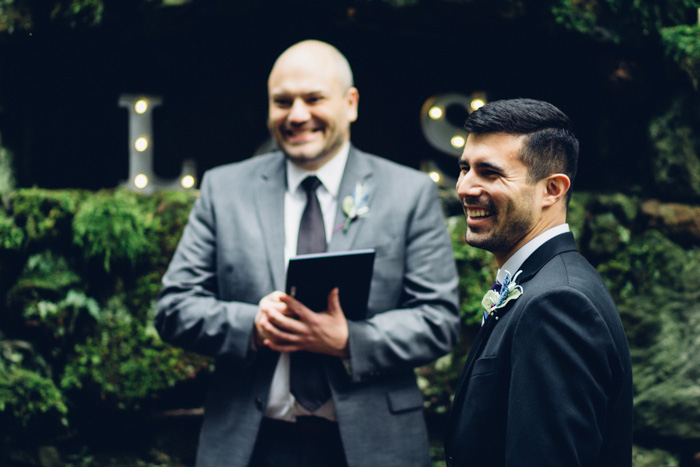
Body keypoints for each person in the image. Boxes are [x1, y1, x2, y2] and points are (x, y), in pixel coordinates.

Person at [155, 39, 460, 467]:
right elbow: (173, 309)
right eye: (282, 102)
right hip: (253, 445)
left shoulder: (409, 193)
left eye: (313, 98)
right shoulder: (224, 190)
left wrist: (350, 341)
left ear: (350, 103)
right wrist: (253, 325)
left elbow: (438, 320)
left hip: (374, 447)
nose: (297, 115)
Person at [443, 98, 633, 467]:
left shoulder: (558, 303)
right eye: (465, 168)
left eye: (490, 172)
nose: (465, 187)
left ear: (552, 189)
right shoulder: (542, 283)